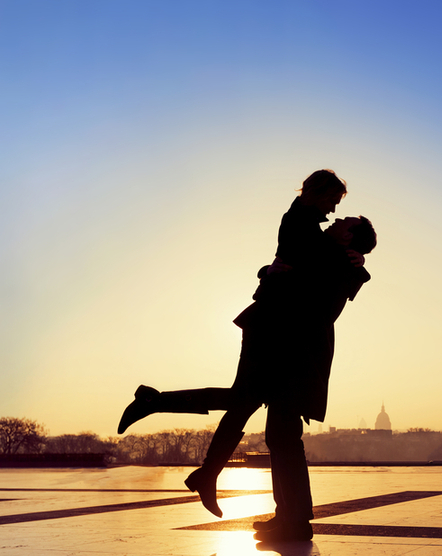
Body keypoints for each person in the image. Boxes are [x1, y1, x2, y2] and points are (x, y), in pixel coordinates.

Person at [117, 170, 376, 541]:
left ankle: (287, 516)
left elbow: (299, 272)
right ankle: (287, 516)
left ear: (350, 237)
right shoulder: (323, 246)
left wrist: (275, 273)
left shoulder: (335, 257)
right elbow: (293, 256)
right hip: (288, 351)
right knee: (275, 431)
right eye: (335, 202)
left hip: (288, 351)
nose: (336, 213)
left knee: (256, 413)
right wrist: (270, 271)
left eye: (343, 218)